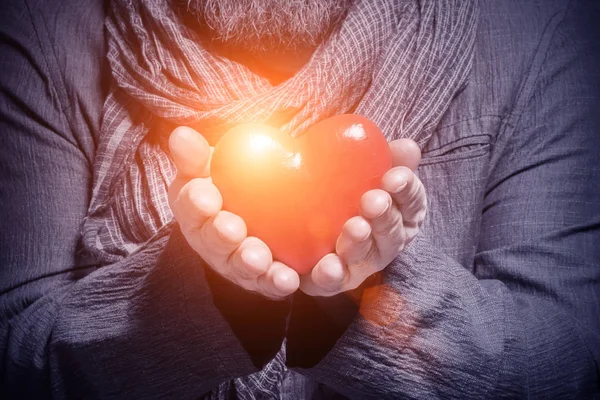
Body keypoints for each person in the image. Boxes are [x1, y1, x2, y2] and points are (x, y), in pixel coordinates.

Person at [0, 0, 599, 398]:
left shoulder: (537, 33)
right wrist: (205, 290)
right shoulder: (46, 28)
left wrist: (372, 286)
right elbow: (13, 363)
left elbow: (568, 362)